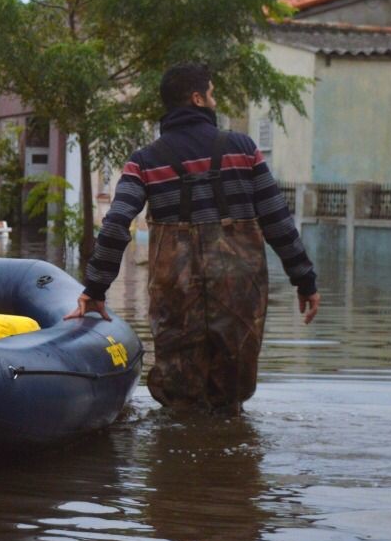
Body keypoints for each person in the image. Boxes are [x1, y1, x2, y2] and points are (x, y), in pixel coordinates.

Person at [66, 63, 318, 415]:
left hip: (175, 291)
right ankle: (229, 462)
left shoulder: (143, 162)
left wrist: (95, 290)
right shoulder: (243, 150)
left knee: (180, 396)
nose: (215, 102)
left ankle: (176, 461)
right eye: (212, 94)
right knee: (231, 397)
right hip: (239, 290)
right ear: (198, 98)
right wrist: (303, 279)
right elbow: (277, 219)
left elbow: (115, 224)